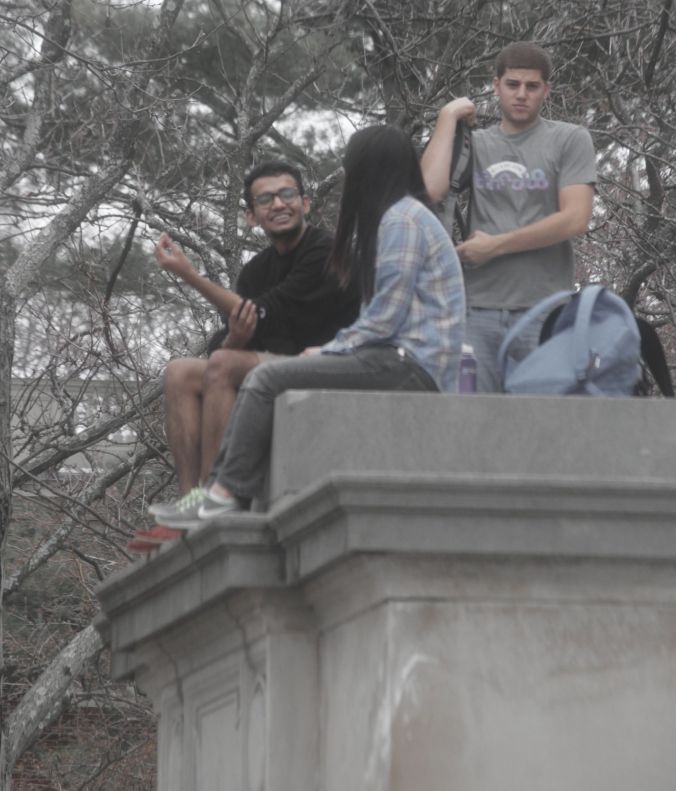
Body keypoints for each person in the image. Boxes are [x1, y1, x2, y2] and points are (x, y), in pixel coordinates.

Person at [179, 124, 466, 521]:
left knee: (264, 379)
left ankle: (228, 492)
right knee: (229, 374)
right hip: (400, 359)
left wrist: (332, 349)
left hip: (411, 365)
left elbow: (385, 318)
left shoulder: (402, 220)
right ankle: (206, 492)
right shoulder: (401, 217)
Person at [131, 161, 359, 549]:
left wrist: (189, 274)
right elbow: (237, 338)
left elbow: (262, 314)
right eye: (266, 199)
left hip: (334, 365)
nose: (279, 204)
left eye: (287, 194)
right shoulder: (256, 271)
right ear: (251, 216)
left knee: (222, 362)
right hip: (283, 365)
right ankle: (190, 498)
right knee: (180, 373)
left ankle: (211, 497)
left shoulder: (324, 249)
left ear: (305, 202)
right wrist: (237, 337)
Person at [421, 42, 596, 392]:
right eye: (513, 84)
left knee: (537, 431)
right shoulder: (476, 143)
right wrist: (447, 117)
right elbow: (430, 189)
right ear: (496, 85)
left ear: (546, 90)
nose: (521, 95)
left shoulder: (569, 139)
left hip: (544, 309)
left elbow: (576, 218)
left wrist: (496, 246)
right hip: (476, 312)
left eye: (532, 87)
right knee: (472, 426)